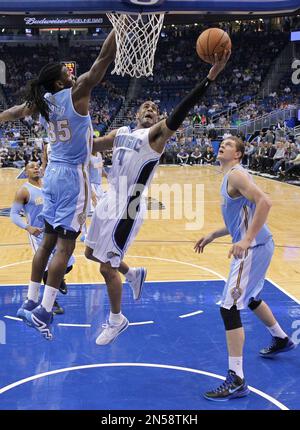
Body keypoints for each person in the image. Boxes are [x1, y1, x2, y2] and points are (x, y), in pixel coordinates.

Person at [84, 50, 231, 346]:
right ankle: (134, 273)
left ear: (158, 117)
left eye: (155, 107)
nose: (150, 108)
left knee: (105, 267)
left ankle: (116, 319)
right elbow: (92, 145)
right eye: (145, 105)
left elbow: (182, 110)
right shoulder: (122, 131)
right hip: (109, 200)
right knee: (89, 254)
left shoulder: (155, 137)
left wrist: (209, 78)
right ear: (136, 113)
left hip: (129, 205)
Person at [0, 29, 116, 340]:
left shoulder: (43, 101)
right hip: (72, 177)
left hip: (51, 175)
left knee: (48, 243)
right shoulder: (76, 93)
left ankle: (29, 300)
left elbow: (13, 112)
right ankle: (44, 311)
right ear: (59, 81)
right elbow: (103, 60)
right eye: (66, 72)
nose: (71, 71)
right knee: (65, 246)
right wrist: (121, 27)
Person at [194, 135, 295, 402]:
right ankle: (281, 338)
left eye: (228, 144)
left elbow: (265, 202)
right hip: (262, 243)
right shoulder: (231, 176)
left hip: (255, 247)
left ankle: (237, 379)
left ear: (237, 154)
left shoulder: (237, 176)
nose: (222, 145)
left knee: (229, 307)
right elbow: (240, 219)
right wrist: (213, 235)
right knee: (250, 298)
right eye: (222, 143)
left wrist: (247, 239)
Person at [10, 161, 75, 315]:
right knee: (46, 269)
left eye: (37, 166)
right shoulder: (24, 191)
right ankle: (51, 304)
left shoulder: (47, 185)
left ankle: (59, 279)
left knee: (68, 264)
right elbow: (13, 214)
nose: (36, 168)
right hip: (39, 234)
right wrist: (28, 227)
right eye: (31, 167)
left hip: (55, 231)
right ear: (26, 172)